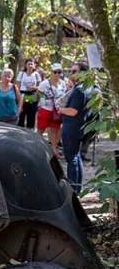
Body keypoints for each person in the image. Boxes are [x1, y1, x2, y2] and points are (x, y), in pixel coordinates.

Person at [59, 63, 90, 194]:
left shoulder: (79, 90)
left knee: (72, 158)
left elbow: (73, 111)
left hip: (72, 126)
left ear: (82, 73)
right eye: (71, 71)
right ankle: (76, 188)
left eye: (74, 71)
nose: (71, 74)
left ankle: (72, 189)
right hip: (78, 126)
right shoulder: (86, 88)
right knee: (76, 157)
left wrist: (61, 109)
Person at [37, 63, 67, 157]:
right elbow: (38, 92)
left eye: (59, 72)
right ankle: (38, 148)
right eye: (55, 72)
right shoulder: (44, 83)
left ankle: (54, 150)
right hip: (46, 109)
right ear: (51, 72)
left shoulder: (63, 83)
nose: (57, 74)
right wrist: (43, 101)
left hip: (57, 111)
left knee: (55, 130)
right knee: (41, 130)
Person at [16, 58, 41, 129]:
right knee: (22, 113)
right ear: (26, 65)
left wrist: (34, 88)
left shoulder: (36, 75)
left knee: (31, 114)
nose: (30, 65)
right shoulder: (21, 74)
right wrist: (18, 97)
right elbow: (18, 85)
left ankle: (30, 129)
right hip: (23, 94)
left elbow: (40, 86)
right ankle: (20, 129)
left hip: (33, 95)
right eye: (28, 64)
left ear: (34, 65)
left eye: (31, 64)